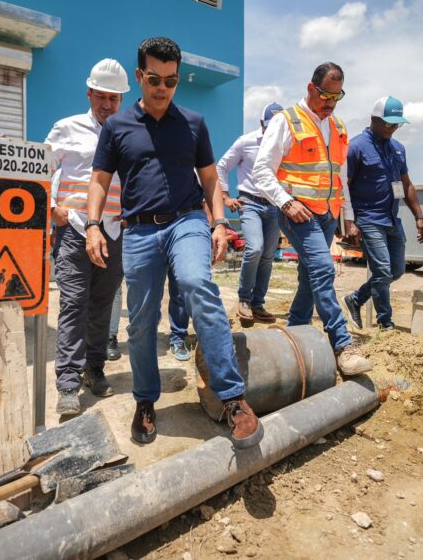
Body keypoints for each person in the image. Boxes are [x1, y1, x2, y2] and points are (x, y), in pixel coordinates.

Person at [86, 37, 263, 449]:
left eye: (170, 80)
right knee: (143, 319)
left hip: (187, 221)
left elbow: (210, 179)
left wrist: (219, 223)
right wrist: (93, 225)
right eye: (153, 79)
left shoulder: (194, 124)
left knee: (198, 285)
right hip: (141, 230)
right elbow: (99, 179)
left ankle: (233, 398)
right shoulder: (117, 127)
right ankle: (146, 401)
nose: (162, 88)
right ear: (139, 77)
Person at [252, 61, 373, 376]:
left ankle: (295, 331)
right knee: (322, 269)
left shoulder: (338, 127)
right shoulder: (287, 121)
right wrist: (286, 202)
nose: (330, 103)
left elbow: (341, 176)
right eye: (325, 96)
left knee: (310, 277)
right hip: (298, 213)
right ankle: (342, 345)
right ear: (310, 88)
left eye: (337, 97)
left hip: (329, 214)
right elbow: (261, 171)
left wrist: (348, 217)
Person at [45, 58, 130, 416]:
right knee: (73, 303)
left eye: (114, 98)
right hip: (75, 227)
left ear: (121, 101)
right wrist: (52, 207)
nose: (107, 104)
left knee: (102, 304)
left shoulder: (128, 132)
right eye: (102, 96)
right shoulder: (67, 127)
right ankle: (67, 381)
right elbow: (41, 168)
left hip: (113, 230)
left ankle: (94, 368)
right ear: (90, 93)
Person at [342, 96, 423, 330]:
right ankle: (385, 323)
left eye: (397, 124)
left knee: (397, 270)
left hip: (392, 218)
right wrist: (348, 222)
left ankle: (356, 299)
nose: (393, 128)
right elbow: (344, 187)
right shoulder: (356, 147)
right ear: (374, 119)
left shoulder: (398, 149)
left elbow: (407, 184)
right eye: (389, 123)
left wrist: (419, 216)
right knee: (382, 270)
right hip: (368, 219)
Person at [217, 102, 284, 325]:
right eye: (269, 127)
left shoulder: (285, 145)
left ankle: (257, 303)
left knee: (268, 254)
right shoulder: (246, 142)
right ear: (261, 124)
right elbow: (222, 166)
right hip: (251, 203)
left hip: (274, 205)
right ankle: (244, 299)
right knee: (255, 248)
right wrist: (226, 197)